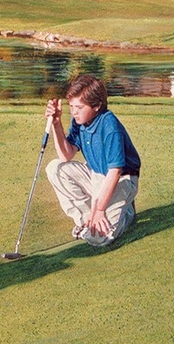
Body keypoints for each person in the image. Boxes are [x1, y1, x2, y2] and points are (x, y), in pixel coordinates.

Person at [44, 74, 140, 247]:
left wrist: (101, 209)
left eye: (79, 107)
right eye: (71, 106)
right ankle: (86, 220)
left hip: (121, 180)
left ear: (96, 106)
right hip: (95, 175)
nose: (74, 112)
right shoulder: (80, 121)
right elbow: (66, 155)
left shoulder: (110, 126)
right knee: (55, 168)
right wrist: (56, 124)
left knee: (99, 239)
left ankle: (127, 214)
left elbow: (115, 171)